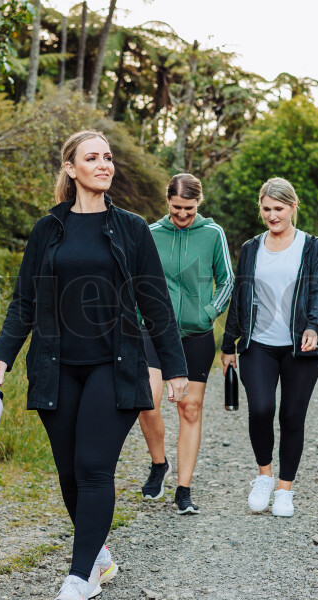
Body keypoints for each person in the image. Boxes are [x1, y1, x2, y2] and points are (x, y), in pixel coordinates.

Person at [0, 130, 189, 600]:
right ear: (71, 169)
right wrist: (2, 354)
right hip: (56, 366)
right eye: (92, 158)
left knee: (94, 466)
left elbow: (154, 302)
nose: (104, 164)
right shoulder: (47, 230)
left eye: (108, 157)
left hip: (113, 364)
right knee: (70, 473)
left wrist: (175, 368)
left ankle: (80, 578)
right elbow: (24, 302)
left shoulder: (132, 228)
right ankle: (98, 554)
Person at [219, 177, 318, 518]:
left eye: (278, 209)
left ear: (293, 207)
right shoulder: (252, 248)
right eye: (266, 209)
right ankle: (264, 475)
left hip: (300, 349)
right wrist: (228, 344)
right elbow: (240, 296)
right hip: (259, 346)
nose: (272, 215)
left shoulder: (311, 246)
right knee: (262, 409)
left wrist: (314, 326)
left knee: (292, 417)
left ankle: (284, 490)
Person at [137, 173, 234, 514]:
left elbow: (227, 280)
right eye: (177, 208)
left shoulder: (212, 234)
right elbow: (135, 281)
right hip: (153, 331)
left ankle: (183, 489)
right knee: (147, 398)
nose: (182, 216)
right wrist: (138, 315)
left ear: (199, 204)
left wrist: (207, 313)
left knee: (188, 408)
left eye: (189, 210)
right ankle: (158, 463)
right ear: (168, 202)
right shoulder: (149, 234)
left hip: (196, 335)